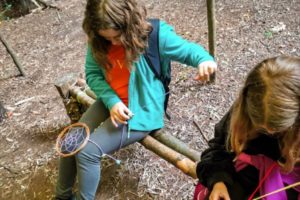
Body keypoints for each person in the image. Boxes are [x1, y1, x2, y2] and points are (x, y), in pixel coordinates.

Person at [55, 0, 217, 199]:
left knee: (88, 152)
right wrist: (112, 102)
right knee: (72, 139)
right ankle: (61, 196)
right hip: (111, 100)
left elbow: (190, 51)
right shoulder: (99, 39)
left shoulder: (155, 36)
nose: (113, 43)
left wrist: (205, 60)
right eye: (107, 38)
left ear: (129, 24)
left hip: (141, 109)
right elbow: (92, 74)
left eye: (116, 36)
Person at [195, 56, 300, 200]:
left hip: (291, 178)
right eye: (262, 128)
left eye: (277, 128)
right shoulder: (244, 112)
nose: (269, 132)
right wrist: (219, 180)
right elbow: (218, 150)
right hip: (249, 171)